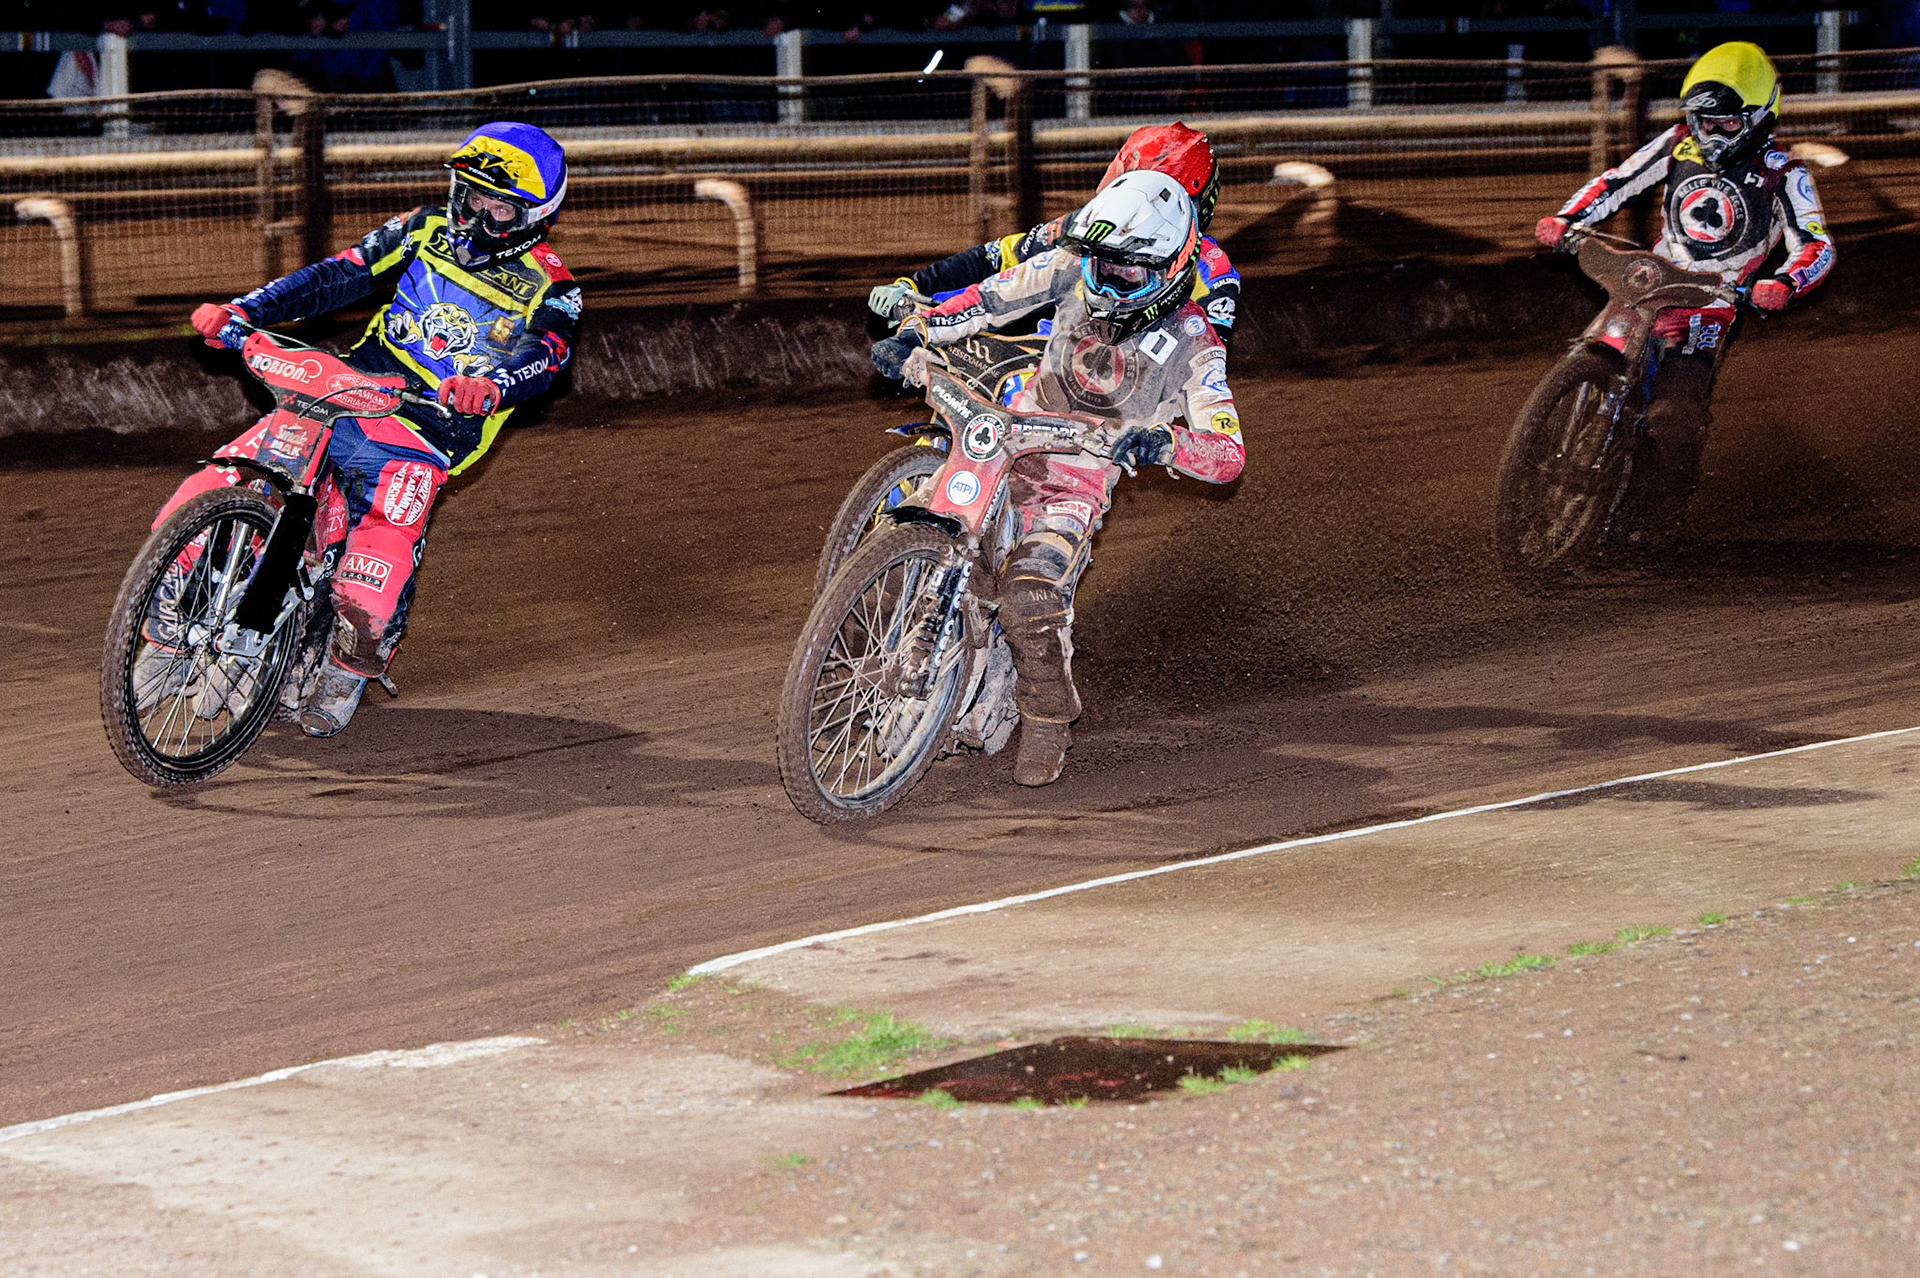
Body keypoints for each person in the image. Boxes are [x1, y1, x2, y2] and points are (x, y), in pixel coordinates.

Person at [154, 121, 581, 737]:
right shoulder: (423, 227)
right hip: (356, 384)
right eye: (472, 196)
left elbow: (549, 354)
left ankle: (351, 662)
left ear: (535, 216)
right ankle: (166, 625)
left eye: (500, 208)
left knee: (378, 552)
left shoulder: (553, 284)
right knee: (235, 470)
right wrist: (244, 310)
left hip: (437, 422)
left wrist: (494, 385)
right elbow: (340, 274)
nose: (477, 217)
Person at [871, 169, 1245, 786]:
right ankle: (899, 647)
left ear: (1174, 266)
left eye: (1130, 270)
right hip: (1008, 436)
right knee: (910, 526)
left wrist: (1165, 442)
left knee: (1027, 594)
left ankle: (1047, 718)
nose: (1110, 279)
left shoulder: (1194, 342)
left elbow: (1228, 453)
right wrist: (919, 330)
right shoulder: (1072, 267)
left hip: (1075, 480)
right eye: (1103, 263)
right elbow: (988, 297)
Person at [1535, 41, 1833, 546]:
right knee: (1591, 350)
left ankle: (1656, 516)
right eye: (1703, 121)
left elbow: (1816, 244)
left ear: (1761, 117)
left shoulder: (1785, 172)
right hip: (1651, 277)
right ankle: (1566, 417)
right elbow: (1617, 181)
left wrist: (1783, 281)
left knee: (1675, 415)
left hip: (1713, 299)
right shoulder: (1677, 144)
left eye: (1727, 123)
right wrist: (1568, 219)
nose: (1711, 134)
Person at [868, 122, 1242, 349]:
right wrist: (914, 286)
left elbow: (1203, 358)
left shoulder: (1212, 272)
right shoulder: (1085, 229)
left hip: (1118, 393)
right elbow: (999, 258)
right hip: (1040, 358)